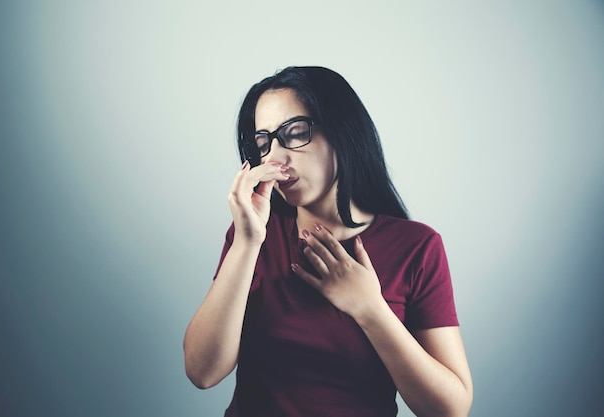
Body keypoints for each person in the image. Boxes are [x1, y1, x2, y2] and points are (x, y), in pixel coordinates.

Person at [183, 66, 473, 417]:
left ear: (341, 131)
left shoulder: (416, 247)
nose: (275, 157)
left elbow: (450, 409)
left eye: (294, 133)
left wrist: (370, 308)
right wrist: (246, 242)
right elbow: (202, 372)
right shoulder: (254, 235)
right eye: (263, 142)